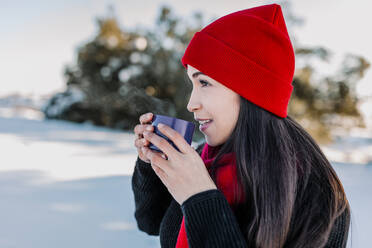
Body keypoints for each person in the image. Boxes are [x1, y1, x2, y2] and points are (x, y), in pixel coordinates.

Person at [132, 3, 351, 248]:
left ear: (251, 91)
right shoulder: (202, 158)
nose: (191, 104)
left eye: (204, 82)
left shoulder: (315, 192)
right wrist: (151, 164)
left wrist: (200, 197)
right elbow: (149, 222)